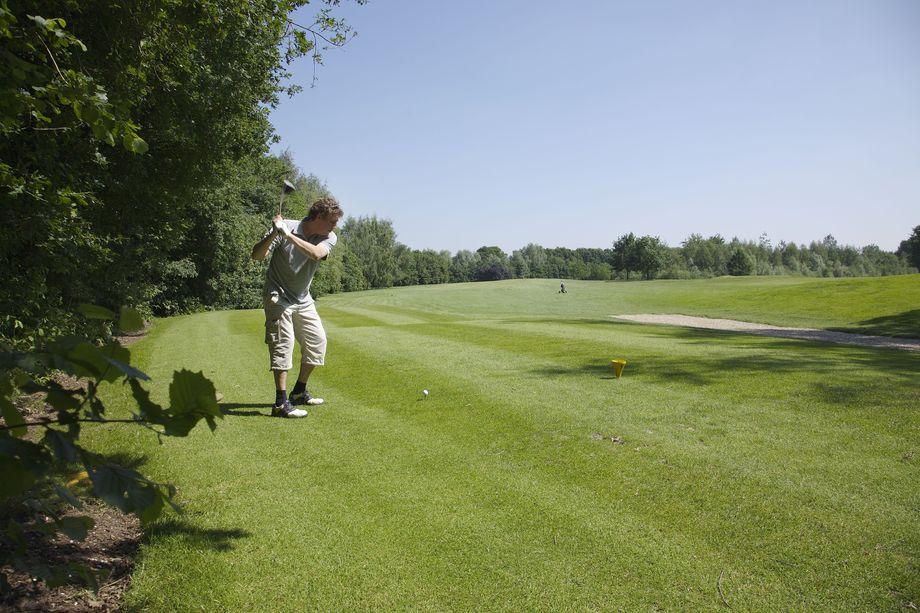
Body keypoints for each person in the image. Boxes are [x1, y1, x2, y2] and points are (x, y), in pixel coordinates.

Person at [251, 197, 343, 418]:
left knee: (317, 342)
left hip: (303, 299)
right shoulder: (286, 227)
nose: (335, 226)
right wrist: (275, 232)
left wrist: (287, 236)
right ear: (318, 217)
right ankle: (280, 403)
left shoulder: (328, 237)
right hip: (278, 296)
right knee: (283, 346)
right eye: (331, 221)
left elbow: (316, 254)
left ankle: (299, 392)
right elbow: (256, 256)